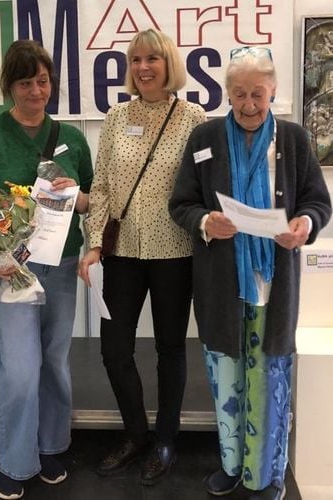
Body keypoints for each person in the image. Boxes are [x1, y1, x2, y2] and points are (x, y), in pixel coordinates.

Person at [169, 46, 331, 500]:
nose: (249, 104)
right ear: (227, 93)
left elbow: (317, 201)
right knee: (227, 377)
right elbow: (181, 203)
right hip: (222, 285)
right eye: (239, 94)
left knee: (269, 378)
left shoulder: (294, 139)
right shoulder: (205, 138)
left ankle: (266, 472)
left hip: (273, 285)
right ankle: (231, 464)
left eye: (257, 93)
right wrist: (206, 221)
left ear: (273, 90)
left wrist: (305, 224)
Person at [0, 39, 93, 500]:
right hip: (10, 267)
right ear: (8, 86)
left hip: (62, 262)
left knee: (54, 361)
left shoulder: (72, 138)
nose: (36, 91)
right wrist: (2, 238)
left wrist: (76, 194)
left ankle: (52, 445)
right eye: (24, 83)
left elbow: (93, 199)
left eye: (42, 81)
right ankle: (14, 459)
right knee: (19, 366)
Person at [78, 28, 205, 485]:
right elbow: (102, 187)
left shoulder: (194, 118)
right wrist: (95, 243)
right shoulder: (116, 117)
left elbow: (203, 187)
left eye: (152, 58)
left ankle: (165, 440)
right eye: (136, 59)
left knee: (170, 349)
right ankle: (135, 434)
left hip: (175, 251)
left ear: (169, 63)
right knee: (114, 349)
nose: (144, 67)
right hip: (123, 252)